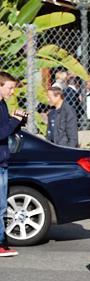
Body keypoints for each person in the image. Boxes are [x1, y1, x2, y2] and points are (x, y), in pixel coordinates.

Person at [0, 71, 26, 257]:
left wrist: (18, 121)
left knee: (1, 206)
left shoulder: (2, 104)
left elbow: (7, 131)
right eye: (9, 88)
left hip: (2, 161)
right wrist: (14, 120)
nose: (12, 92)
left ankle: (2, 241)